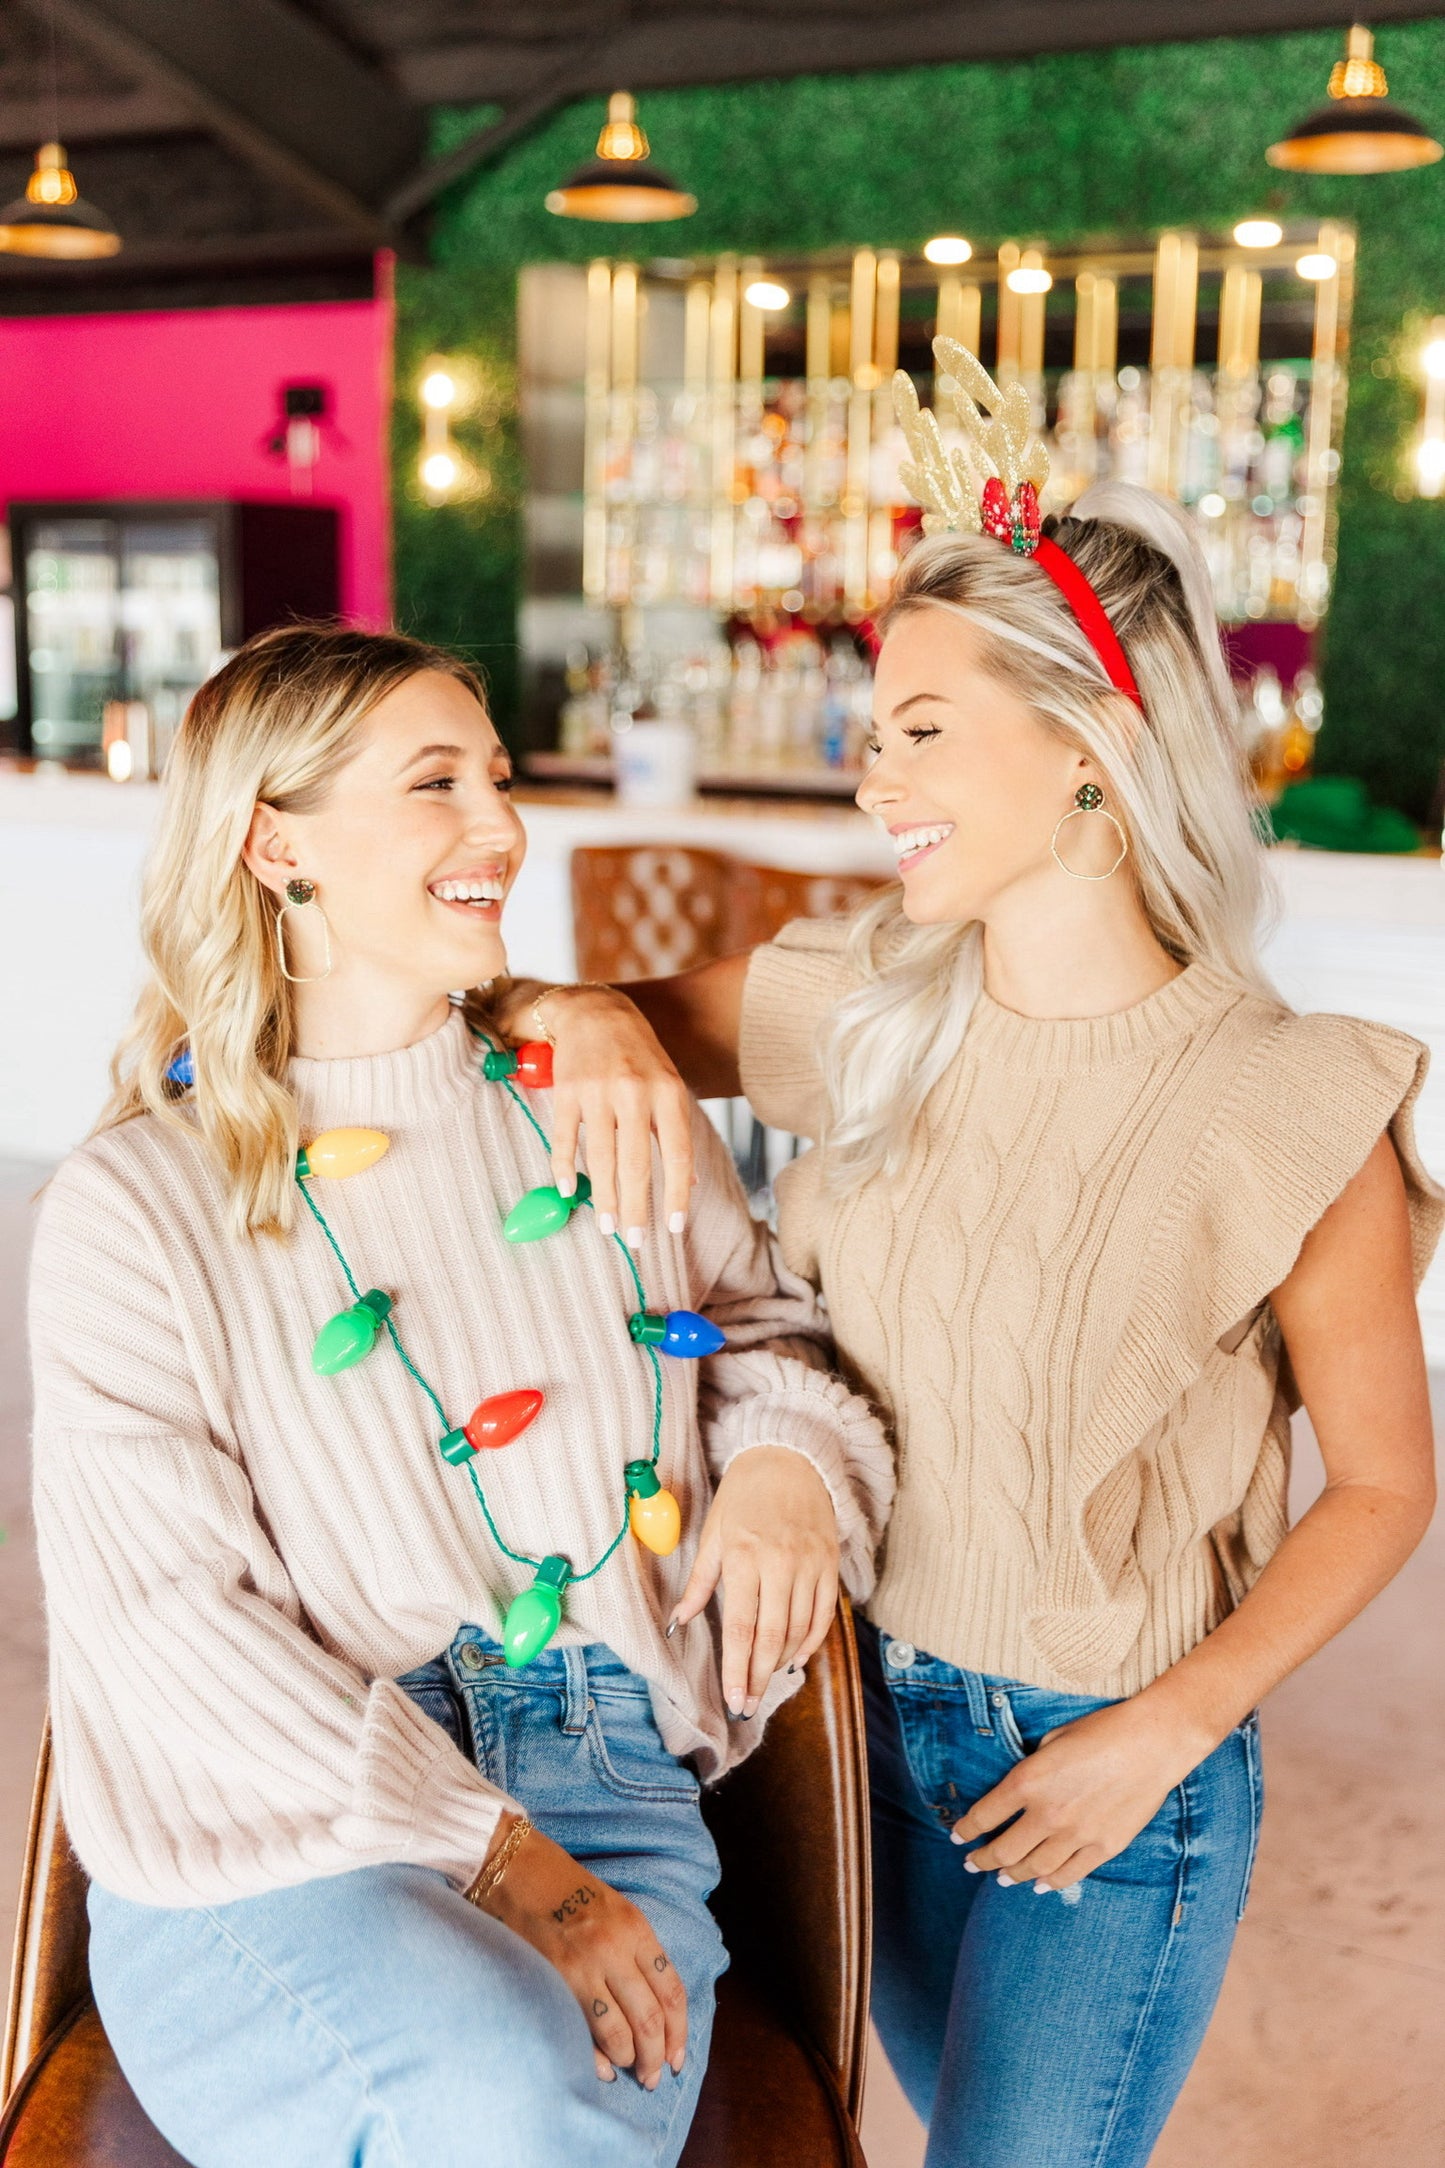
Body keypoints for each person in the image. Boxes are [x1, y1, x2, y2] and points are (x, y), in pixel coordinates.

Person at [486, 348, 1443, 2167]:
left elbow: (1384, 1488)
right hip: (837, 1717)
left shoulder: (1286, 1099)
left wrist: (1163, 1733)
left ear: (1091, 744)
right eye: (875, 729)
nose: (874, 777)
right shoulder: (859, 1000)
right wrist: (585, 1013)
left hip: (1110, 1760)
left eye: (920, 729)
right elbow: (538, 1027)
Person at [27, 625, 894, 2168]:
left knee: (531, 2114)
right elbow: (167, 1627)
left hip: (610, 1774)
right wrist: (497, 1857)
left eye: (495, 778)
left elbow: (766, 1332)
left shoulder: (603, 1106)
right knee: (499, 2106)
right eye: (435, 784)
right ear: (274, 844)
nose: (501, 824)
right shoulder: (134, 1206)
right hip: (277, 1825)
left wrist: (785, 1467)